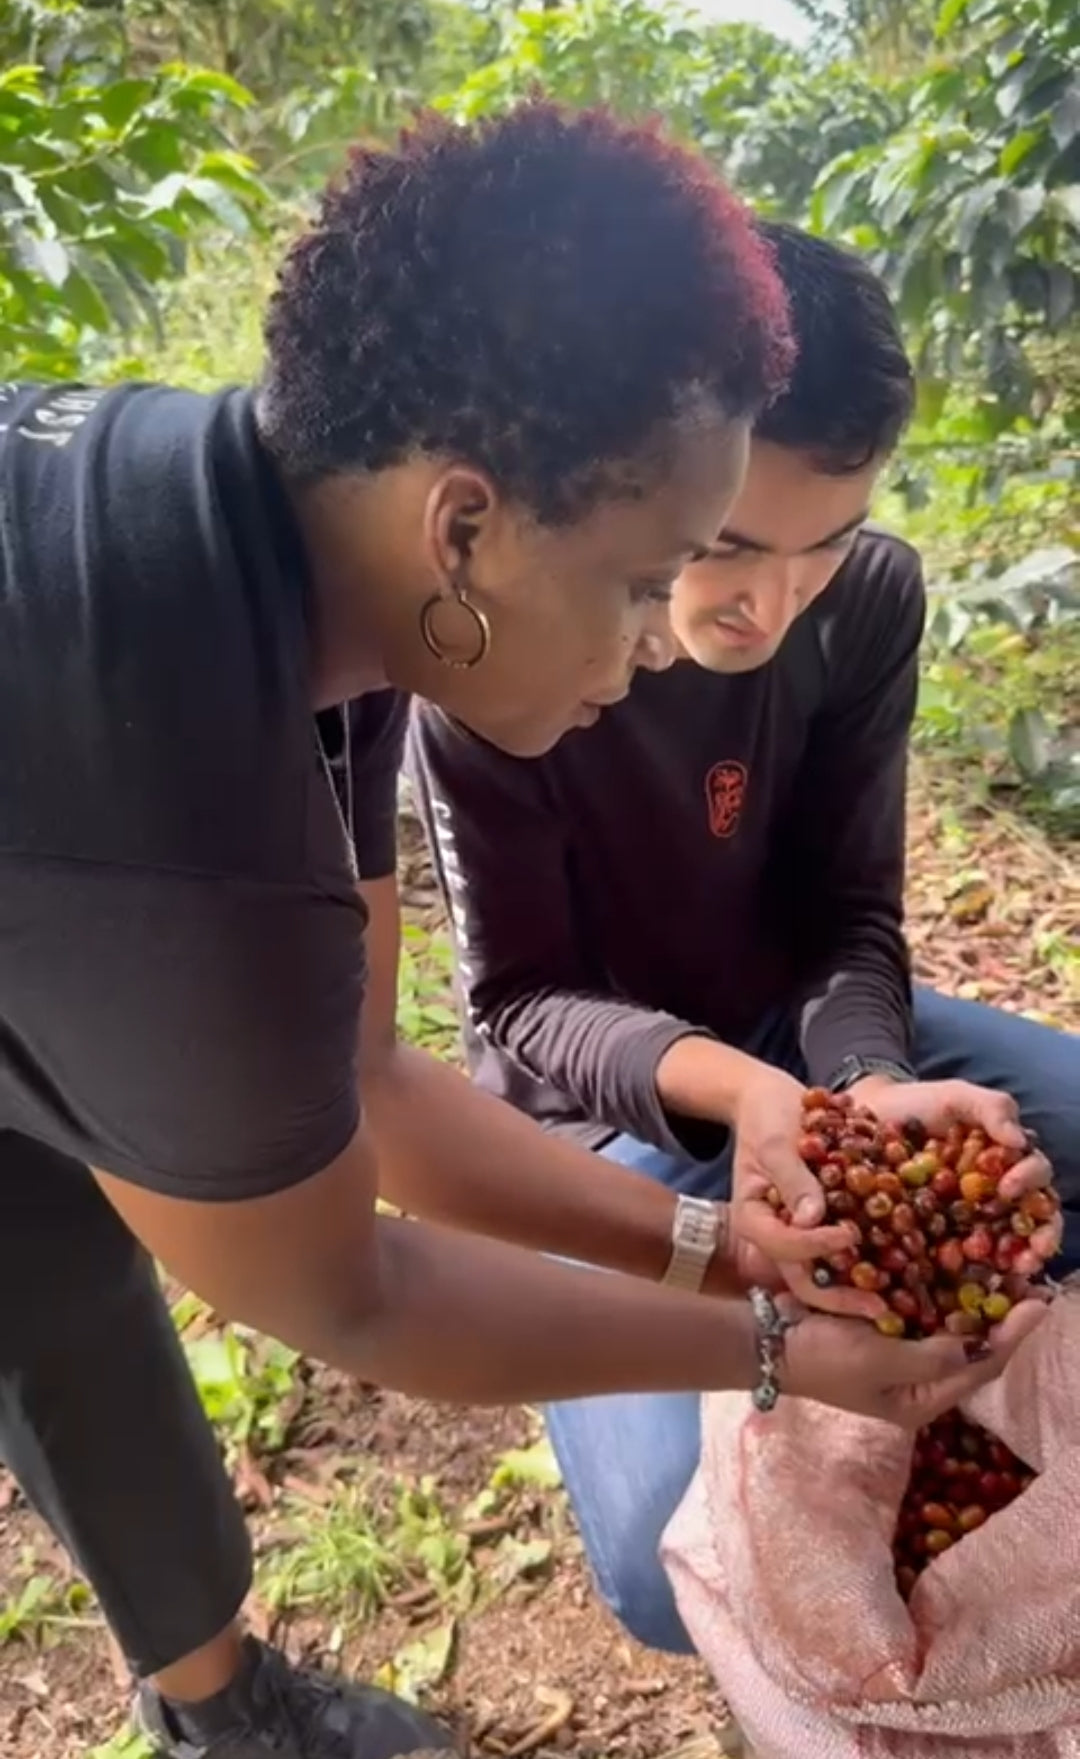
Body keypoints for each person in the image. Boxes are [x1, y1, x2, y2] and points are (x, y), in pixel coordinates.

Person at [2, 113, 1043, 1759]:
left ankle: (220, 1707)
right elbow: (352, 1292)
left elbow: (376, 1089)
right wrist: (781, 1349)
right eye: (652, 580)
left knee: (41, 1268)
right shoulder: (183, 834)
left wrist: (730, 1249)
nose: (662, 644)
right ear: (467, 527)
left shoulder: (281, 561)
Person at [407, 221, 1078, 1657]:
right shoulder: (505, 657)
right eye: (721, 549)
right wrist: (748, 1099)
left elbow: (848, 912)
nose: (768, 604)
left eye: (823, 546)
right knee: (664, 1572)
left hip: (805, 1047)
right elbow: (524, 1005)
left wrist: (864, 1086)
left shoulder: (869, 606)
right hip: (606, 1117)